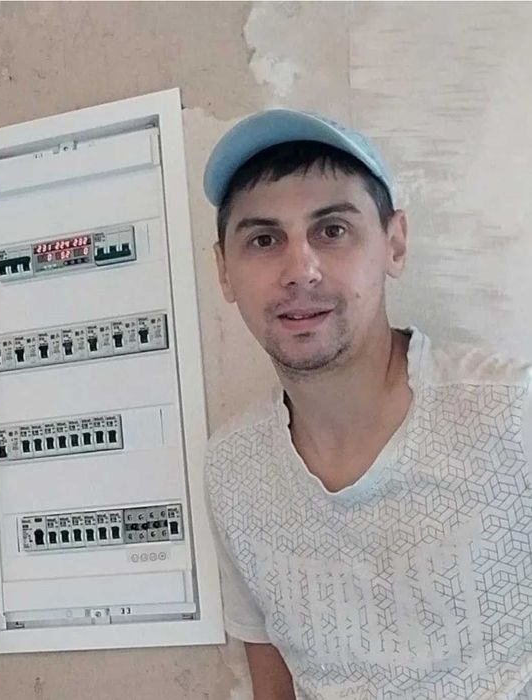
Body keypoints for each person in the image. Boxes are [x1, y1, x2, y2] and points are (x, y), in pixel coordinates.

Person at [202, 109, 532, 699]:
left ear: (394, 244)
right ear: (225, 271)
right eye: (264, 240)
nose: (300, 271)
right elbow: (271, 676)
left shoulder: (512, 415)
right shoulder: (233, 469)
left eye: (332, 231)